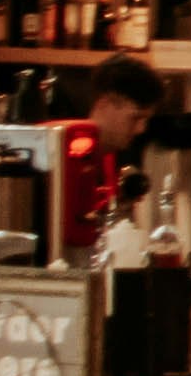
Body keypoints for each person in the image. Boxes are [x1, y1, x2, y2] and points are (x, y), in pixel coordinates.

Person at [62, 53, 169, 251]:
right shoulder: (69, 153)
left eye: (145, 120)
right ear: (104, 104)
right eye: (135, 118)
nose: (140, 129)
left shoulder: (111, 158)